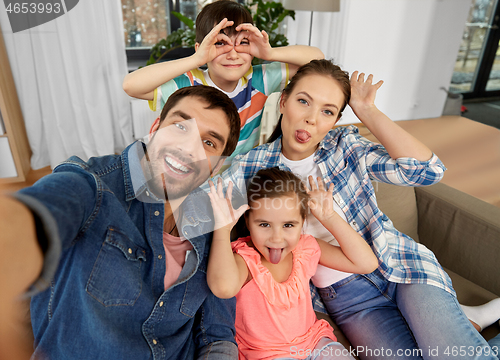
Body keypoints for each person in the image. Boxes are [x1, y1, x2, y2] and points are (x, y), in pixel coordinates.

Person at [210, 59, 500, 359]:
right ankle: (468, 322)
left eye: (327, 111)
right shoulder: (251, 166)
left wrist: (369, 112)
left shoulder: (345, 145)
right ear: (283, 102)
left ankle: (463, 324)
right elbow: (197, 213)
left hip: (402, 266)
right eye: (303, 102)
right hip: (347, 296)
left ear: (335, 120)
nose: (311, 119)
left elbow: (426, 172)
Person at [0, 85, 242, 360]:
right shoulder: (92, 184)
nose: (189, 148)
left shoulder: (215, 221)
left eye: (209, 143)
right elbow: (33, 219)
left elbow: (217, 335)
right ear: (155, 127)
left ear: (218, 165)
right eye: (180, 126)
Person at [122, 0, 324, 166]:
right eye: (220, 43)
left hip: (239, 179)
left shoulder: (259, 80)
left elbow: (316, 59)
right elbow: (131, 85)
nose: (233, 53)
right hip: (192, 176)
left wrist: (270, 53)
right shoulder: (188, 85)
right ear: (201, 48)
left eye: (242, 43)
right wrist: (195, 59)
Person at [206, 168, 378, 359]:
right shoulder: (244, 259)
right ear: (247, 221)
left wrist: (329, 217)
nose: (276, 238)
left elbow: (366, 263)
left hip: (315, 343)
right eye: (264, 225)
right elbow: (222, 288)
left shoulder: (305, 249)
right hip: (268, 355)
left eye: (288, 225)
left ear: (302, 222)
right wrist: (221, 229)